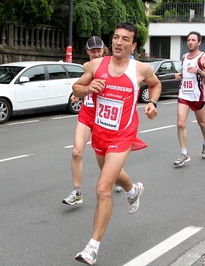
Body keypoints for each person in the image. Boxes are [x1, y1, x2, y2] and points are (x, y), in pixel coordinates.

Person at [72, 21, 161, 265]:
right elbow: (76, 88)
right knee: (111, 174)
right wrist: (89, 87)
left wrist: (152, 103)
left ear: (133, 46)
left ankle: (92, 247)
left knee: (103, 188)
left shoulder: (141, 69)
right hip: (100, 134)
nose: (118, 42)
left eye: (124, 39)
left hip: (123, 135)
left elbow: (156, 85)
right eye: (116, 37)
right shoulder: (96, 64)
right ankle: (133, 190)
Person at [62, 36, 122, 206]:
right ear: (87, 51)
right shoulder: (86, 66)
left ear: (104, 49)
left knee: (107, 158)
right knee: (76, 152)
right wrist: (77, 93)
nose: (96, 54)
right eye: (93, 50)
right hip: (86, 114)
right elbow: (82, 85)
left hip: (103, 117)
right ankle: (77, 192)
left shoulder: (112, 66)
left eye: (99, 50)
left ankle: (117, 178)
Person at [174, 31, 205, 166]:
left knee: (201, 122)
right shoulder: (184, 57)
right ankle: (184, 153)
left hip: (197, 95)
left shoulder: (203, 57)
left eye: (193, 40)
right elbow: (184, 72)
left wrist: (198, 71)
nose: (190, 42)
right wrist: (179, 75)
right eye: (188, 40)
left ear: (199, 42)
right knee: (180, 123)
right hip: (184, 94)